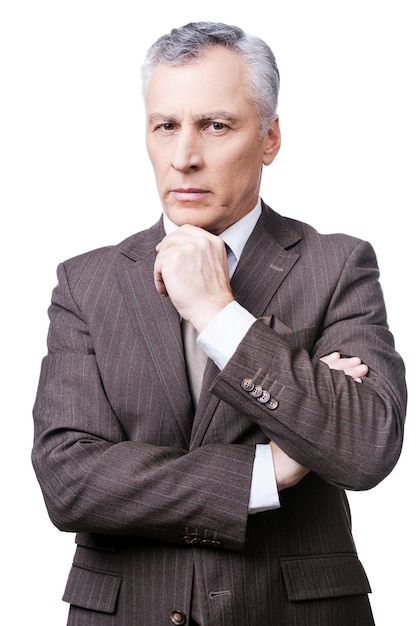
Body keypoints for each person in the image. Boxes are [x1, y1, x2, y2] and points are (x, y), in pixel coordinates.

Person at [32, 21, 407, 626]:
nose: (184, 156)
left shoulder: (337, 266)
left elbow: (364, 446)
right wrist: (265, 471)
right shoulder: (87, 283)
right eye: (166, 126)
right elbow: (69, 480)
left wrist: (220, 315)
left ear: (269, 137)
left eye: (216, 125)